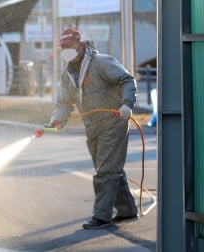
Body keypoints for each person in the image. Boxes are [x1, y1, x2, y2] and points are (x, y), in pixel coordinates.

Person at [47, 27, 138, 229]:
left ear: (80, 45)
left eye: (70, 46)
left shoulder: (101, 63)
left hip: (113, 121)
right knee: (109, 168)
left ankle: (102, 217)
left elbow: (127, 80)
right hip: (92, 126)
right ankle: (127, 211)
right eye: (63, 47)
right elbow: (64, 103)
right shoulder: (67, 75)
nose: (67, 51)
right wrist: (57, 119)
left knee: (105, 171)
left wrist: (127, 104)